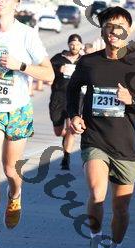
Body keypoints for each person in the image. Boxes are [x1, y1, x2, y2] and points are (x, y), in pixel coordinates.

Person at [67, 6, 135, 248]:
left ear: (128, 31)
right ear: (103, 30)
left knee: (121, 208)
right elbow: (72, 88)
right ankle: (96, 244)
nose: (114, 31)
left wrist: (132, 100)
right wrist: (74, 115)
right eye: (109, 26)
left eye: (120, 27)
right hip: (95, 139)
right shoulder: (89, 62)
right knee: (96, 193)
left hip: (126, 146)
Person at [0, 0, 54, 248]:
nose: (1, 1)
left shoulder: (26, 34)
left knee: (10, 170)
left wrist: (21, 66)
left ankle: (15, 195)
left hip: (17, 110)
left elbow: (49, 74)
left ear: (16, 4)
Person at [49, 34, 83, 170]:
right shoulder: (58, 58)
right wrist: (58, 70)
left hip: (76, 97)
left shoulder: (84, 60)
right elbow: (47, 72)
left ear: (81, 45)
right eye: (72, 44)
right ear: (68, 45)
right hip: (58, 97)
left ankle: (66, 158)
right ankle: (65, 137)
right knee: (58, 131)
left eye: (77, 44)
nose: (74, 47)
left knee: (71, 128)